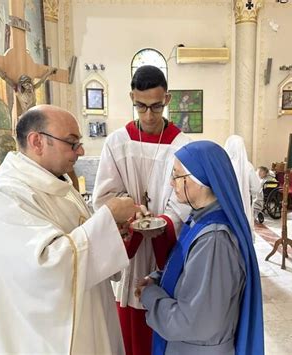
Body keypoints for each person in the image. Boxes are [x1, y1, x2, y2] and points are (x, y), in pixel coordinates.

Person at [0, 105, 141, 353]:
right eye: (72, 142)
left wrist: (113, 231)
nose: (81, 151)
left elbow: (79, 239)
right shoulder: (2, 197)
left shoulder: (57, 186)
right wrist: (108, 217)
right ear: (37, 141)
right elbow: (46, 267)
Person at [92, 65, 191, 355]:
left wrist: (163, 222)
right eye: (141, 107)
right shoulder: (117, 142)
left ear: (168, 99)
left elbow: (184, 201)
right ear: (132, 99)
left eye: (156, 107)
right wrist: (133, 212)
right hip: (131, 252)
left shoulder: (181, 144)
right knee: (132, 334)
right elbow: (104, 196)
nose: (148, 115)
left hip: (165, 250)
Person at [135, 141, 265, 355]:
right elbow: (191, 273)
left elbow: (195, 322)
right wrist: (158, 279)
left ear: (200, 180)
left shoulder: (214, 239)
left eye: (177, 176)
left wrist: (150, 295)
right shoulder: (200, 219)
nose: (171, 183)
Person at [224, 135, 259, 229]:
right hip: (244, 207)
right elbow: (256, 188)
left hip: (226, 209)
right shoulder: (248, 167)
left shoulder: (223, 167)